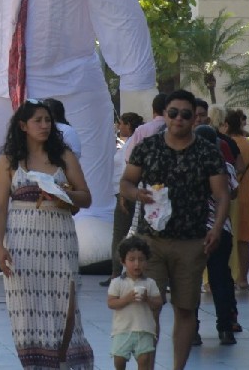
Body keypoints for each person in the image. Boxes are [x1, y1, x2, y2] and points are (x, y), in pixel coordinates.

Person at [119, 89, 229, 370]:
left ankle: (178, 367)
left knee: (185, 308)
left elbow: (221, 194)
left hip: (191, 241)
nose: (179, 119)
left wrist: (216, 228)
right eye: (173, 113)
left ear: (194, 118)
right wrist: (136, 194)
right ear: (164, 116)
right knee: (148, 307)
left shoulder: (206, 151)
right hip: (151, 241)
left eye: (186, 114)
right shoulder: (148, 147)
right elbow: (127, 182)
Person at [0, 98, 94, 369]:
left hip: (60, 240)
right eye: (38, 120)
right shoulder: (9, 161)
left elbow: (86, 197)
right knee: (27, 310)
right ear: (23, 125)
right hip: (23, 244)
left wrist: (65, 195)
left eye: (48, 120)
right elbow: (0, 208)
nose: (44, 125)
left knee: (65, 304)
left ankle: (64, 362)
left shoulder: (64, 157)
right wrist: (0, 248)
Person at [194, 123, 239, 346]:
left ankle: (192, 331)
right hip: (221, 230)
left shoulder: (190, 164)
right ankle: (225, 327)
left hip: (193, 231)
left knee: (191, 280)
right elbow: (234, 192)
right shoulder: (226, 166)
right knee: (221, 279)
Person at [220, 109, 249, 290]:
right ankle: (243, 279)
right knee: (243, 241)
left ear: (226, 124)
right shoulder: (247, 144)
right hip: (246, 197)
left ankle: (227, 276)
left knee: (226, 240)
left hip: (230, 198)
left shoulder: (226, 143)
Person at [102, 111, 144, 287]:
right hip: (125, 191)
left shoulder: (132, 144)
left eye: (121, 123)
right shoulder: (128, 143)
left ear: (128, 125)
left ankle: (118, 272)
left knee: (121, 232)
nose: (119, 127)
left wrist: (124, 194)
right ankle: (117, 271)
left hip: (128, 192)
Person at [107, 236, 162, 370]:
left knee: (144, 359)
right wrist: (126, 299)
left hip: (144, 329)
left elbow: (158, 303)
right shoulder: (117, 283)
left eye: (141, 259)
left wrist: (147, 299)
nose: (136, 264)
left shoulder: (150, 283)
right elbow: (111, 303)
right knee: (119, 358)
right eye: (132, 260)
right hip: (122, 329)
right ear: (123, 261)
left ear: (146, 262)